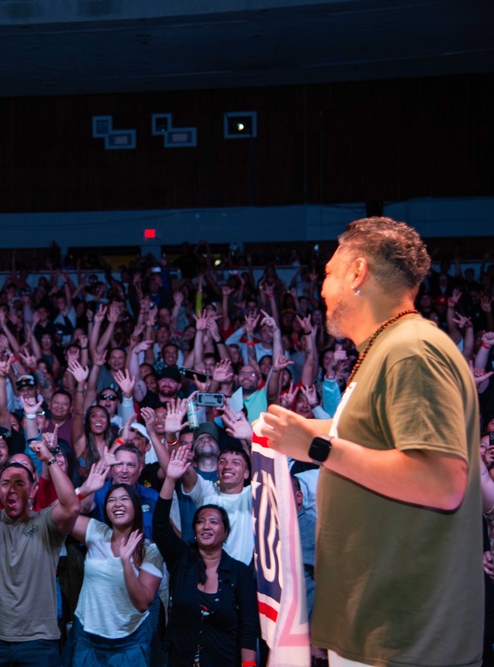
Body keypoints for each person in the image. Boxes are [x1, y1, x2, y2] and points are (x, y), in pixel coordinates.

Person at [259, 217, 482, 667]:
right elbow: (371, 441)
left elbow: (441, 481)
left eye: (327, 274)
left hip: (407, 639)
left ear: (357, 272)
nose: (320, 289)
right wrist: (300, 433)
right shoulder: (383, 349)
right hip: (378, 629)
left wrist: (318, 448)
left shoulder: (412, 350)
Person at [0, 433, 79, 666]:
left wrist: (50, 460)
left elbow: (72, 506)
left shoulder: (46, 523)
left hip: (39, 641)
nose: (11, 489)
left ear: (33, 491)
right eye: (5, 484)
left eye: (19, 483)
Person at [154, 446, 259, 667]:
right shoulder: (182, 561)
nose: (206, 526)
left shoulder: (240, 573)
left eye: (214, 522)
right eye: (200, 521)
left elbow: (248, 628)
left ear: (225, 532)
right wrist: (170, 480)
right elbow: (161, 527)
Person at [64, 462, 163, 667]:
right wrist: (85, 490)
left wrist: (127, 563)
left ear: (136, 508)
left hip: (130, 641)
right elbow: (56, 515)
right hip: (87, 637)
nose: (117, 503)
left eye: (124, 499)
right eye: (111, 500)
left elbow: (143, 602)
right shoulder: (96, 532)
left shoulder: (149, 550)